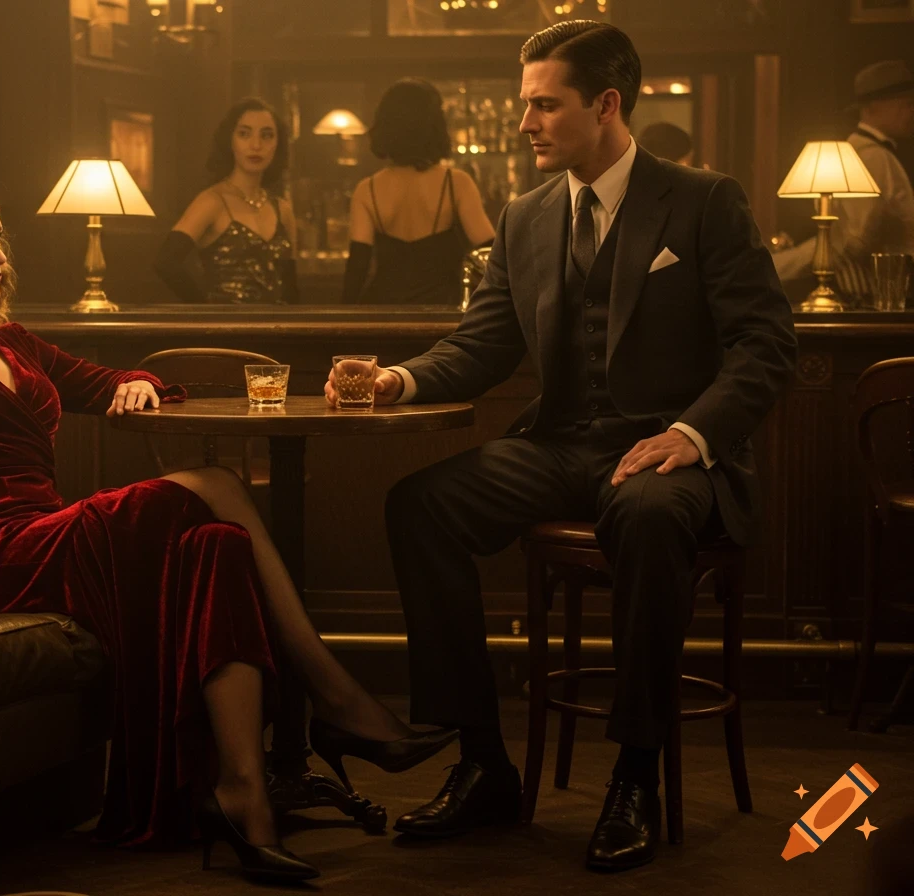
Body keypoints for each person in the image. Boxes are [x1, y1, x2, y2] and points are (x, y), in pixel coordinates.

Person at [0, 177, 454, 881]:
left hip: (45, 529)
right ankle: (336, 695)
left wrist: (140, 383)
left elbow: (109, 381)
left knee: (218, 545)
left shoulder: (11, 341)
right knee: (217, 484)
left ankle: (241, 796)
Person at [324, 21, 796, 870]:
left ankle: (636, 776)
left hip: (666, 453)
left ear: (607, 104)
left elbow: (766, 344)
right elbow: (484, 345)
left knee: (650, 519)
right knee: (420, 506)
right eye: (525, 105)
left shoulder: (701, 199)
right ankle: (481, 763)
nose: (527, 122)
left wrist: (692, 435)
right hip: (560, 447)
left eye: (545, 105)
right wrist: (401, 379)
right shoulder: (526, 214)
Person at [342, 78, 496, 304]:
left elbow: (357, 267)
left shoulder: (367, 190)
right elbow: (490, 254)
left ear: (384, 127)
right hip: (441, 312)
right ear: (435, 126)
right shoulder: (456, 183)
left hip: (383, 312)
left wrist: (342, 319)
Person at [774, 60, 914, 302]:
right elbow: (856, 241)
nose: (911, 112)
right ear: (872, 107)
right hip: (884, 290)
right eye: (905, 104)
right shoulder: (873, 157)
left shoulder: (864, 152)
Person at [155, 98, 298, 304]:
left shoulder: (282, 210)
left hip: (276, 330)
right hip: (227, 330)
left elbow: (291, 288)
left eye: (267, 135)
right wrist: (205, 309)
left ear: (278, 144)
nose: (256, 145)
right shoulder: (212, 202)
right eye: (244, 134)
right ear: (229, 140)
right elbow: (165, 262)